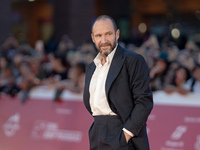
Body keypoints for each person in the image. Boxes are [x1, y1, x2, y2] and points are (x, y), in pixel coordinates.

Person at [83, 15, 153, 150]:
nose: (104, 40)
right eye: (98, 36)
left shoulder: (133, 60)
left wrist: (126, 135)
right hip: (97, 133)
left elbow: (144, 102)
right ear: (93, 38)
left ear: (117, 34)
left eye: (108, 34)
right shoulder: (92, 67)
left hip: (123, 134)